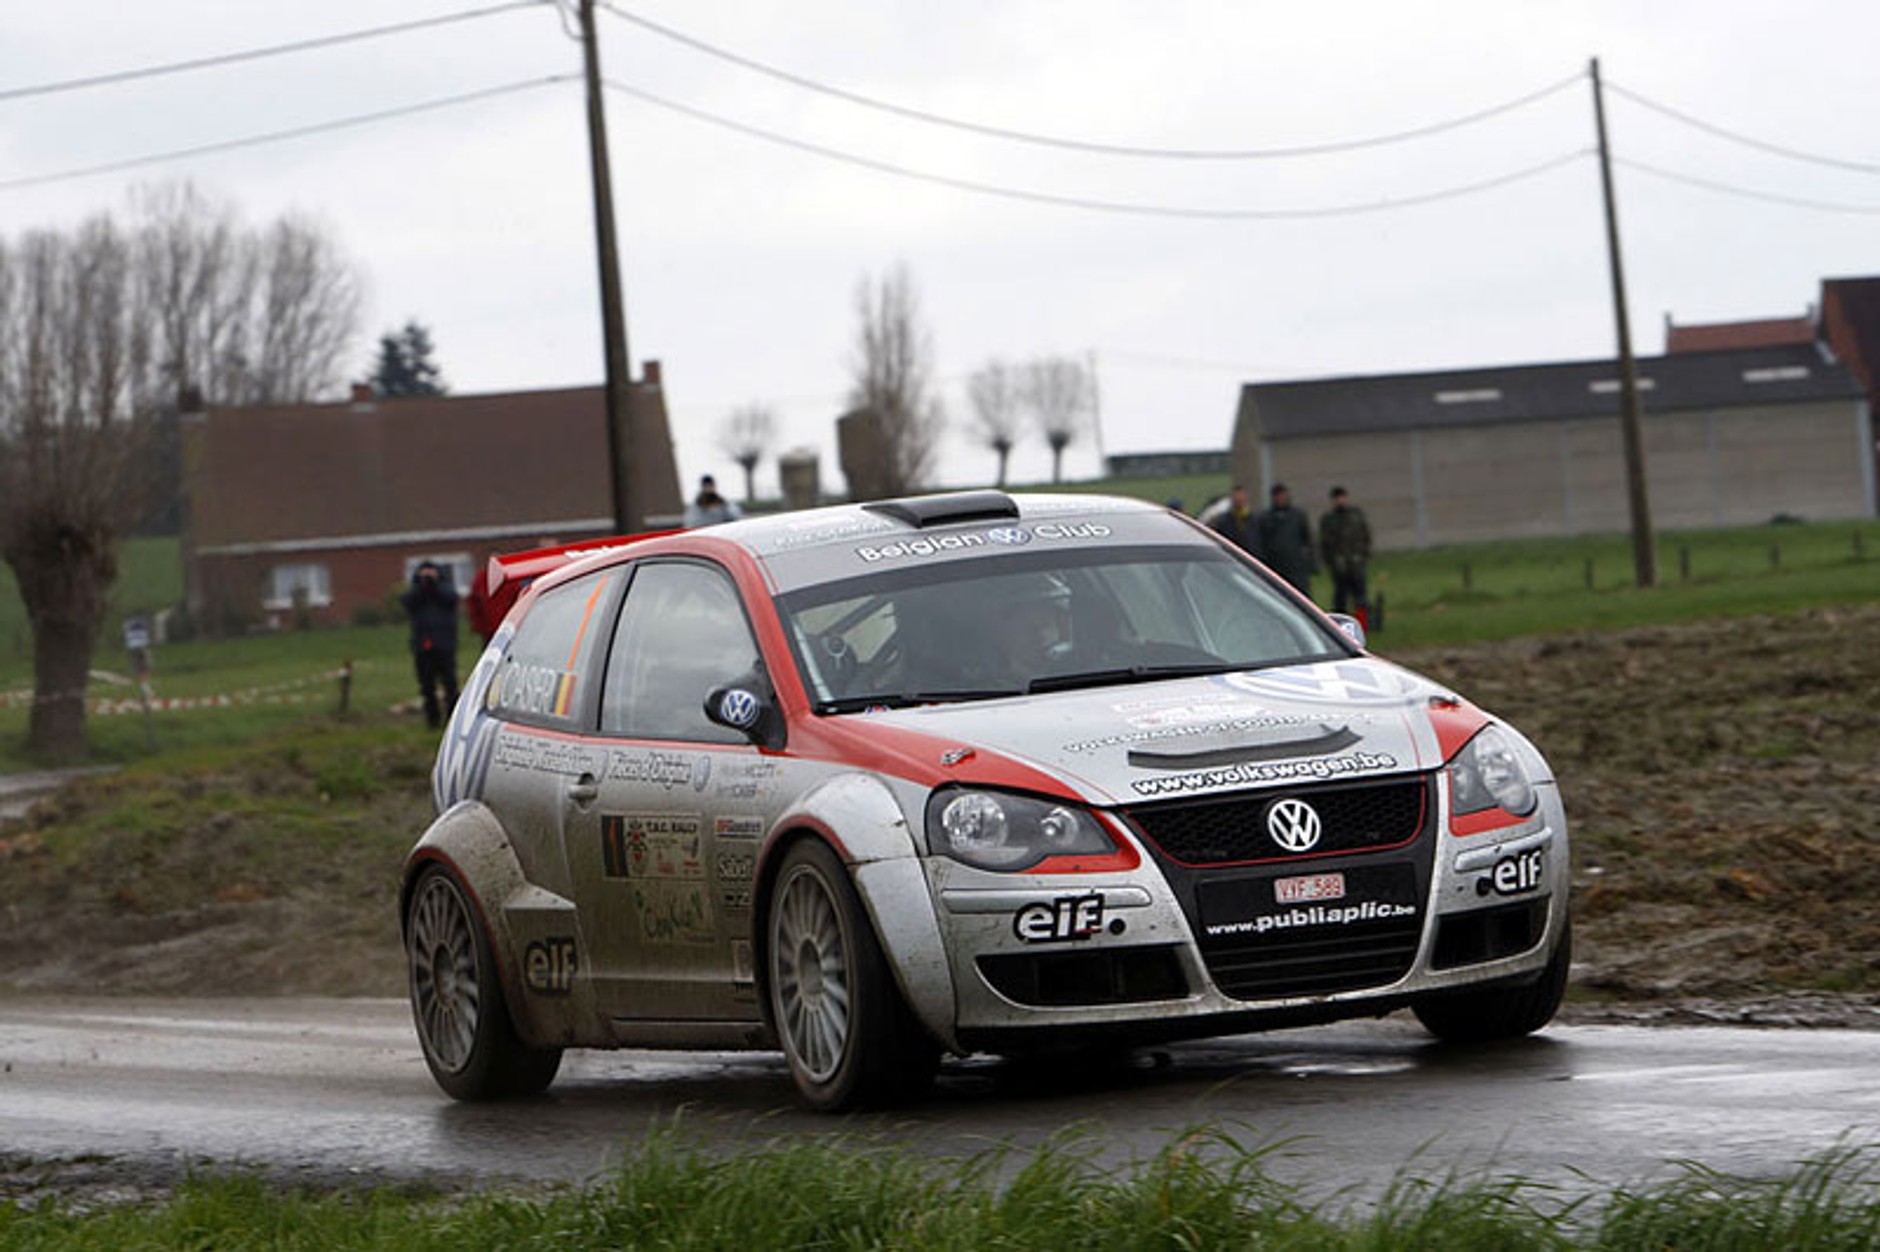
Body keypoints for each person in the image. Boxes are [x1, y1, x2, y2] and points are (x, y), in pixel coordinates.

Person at [401, 560, 460, 729]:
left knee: (450, 684)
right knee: (427, 685)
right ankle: (432, 719)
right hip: (422, 646)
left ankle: (452, 718)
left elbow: (451, 599)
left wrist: (434, 585)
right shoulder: (416, 592)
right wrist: (422, 586)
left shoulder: (445, 589)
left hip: (445, 644)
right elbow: (408, 601)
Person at [1319, 485, 1373, 620]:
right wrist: (1331, 562)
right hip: (1339, 567)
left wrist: (1363, 556)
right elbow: (1325, 543)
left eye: (1342, 498)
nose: (1340, 501)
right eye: (1337, 498)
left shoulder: (1356, 515)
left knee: (1360, 598)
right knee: (1340, 598)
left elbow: (1365, 536)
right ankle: (1341, 625)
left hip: (1356, 564)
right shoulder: (1329, 520)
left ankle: (1363, 623)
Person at [1254, 482, 1317, 597]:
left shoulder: (1298, 516)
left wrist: (1311, 564)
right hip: (1275, 567)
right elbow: (1259, 542)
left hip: (1296, 568)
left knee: (1300, 597)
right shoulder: (1265, 518)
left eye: (1283, 496)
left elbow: (1308, 540)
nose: (1281, 499)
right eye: (1278, 496)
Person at [1208, 484, 1258, 554]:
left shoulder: (1255, 520)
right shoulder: (1223, 521)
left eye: (1241, 496)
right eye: (1236, 496)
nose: (1239, 499)